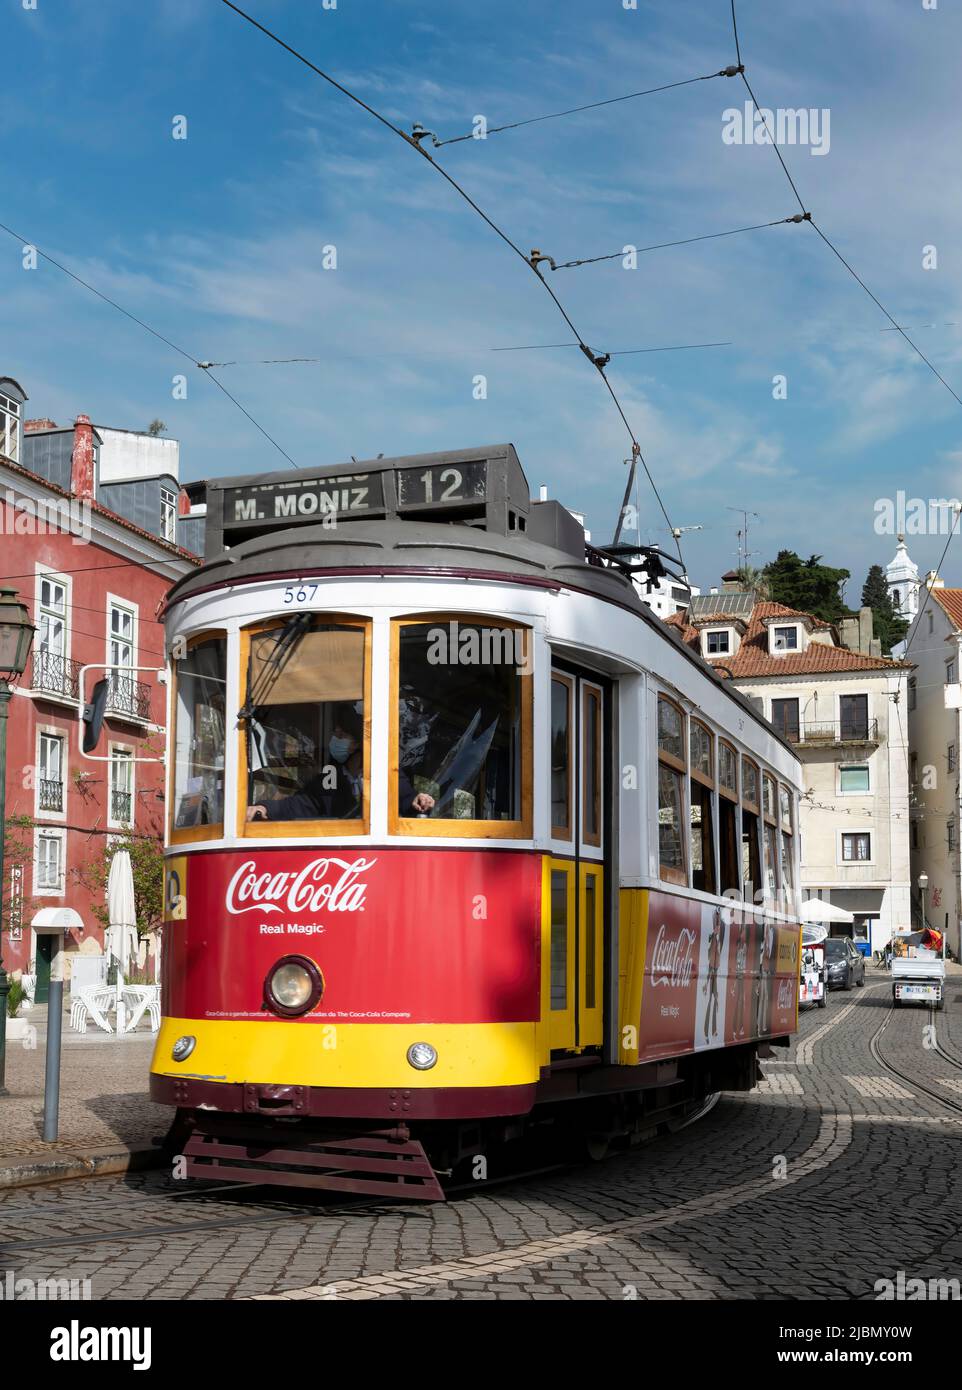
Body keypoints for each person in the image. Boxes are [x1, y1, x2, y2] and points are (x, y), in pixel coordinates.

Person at [247, 703, 435, 821]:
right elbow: (298, 804)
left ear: (356, 743)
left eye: (341, 735)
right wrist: (265, 808)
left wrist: (418, 801)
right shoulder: (329, 778)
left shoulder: (385, 773)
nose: (334, 740)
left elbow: (404, 799)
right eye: (334, 734)